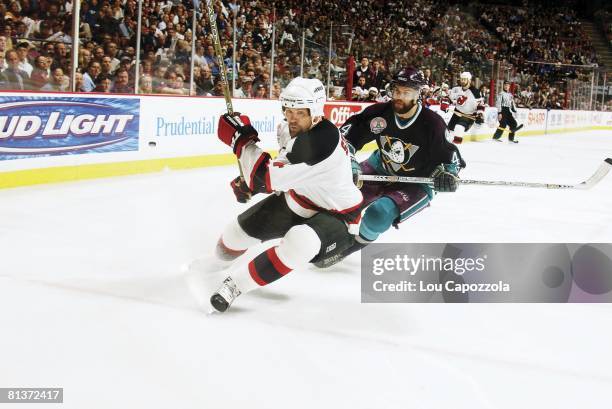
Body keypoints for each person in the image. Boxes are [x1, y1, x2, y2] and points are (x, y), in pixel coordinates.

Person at [186, 77, 363, 312]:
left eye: (300, 112)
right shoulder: (288, 130)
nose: (292, 118)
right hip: (299, 200)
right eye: (288, 110)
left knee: (299, 242)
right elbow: (278, 173)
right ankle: (213, 264)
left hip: (339, 217)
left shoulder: (322, 142)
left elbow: (263, 177)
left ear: (316, 111)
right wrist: (249, 184)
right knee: (234, 235)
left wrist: (241, 142)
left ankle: (235, 285)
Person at [315, 67, 465, 267]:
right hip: (380, 167)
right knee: (343, 199)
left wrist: (448, 175)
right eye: (397, 91)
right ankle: (321, 238)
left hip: (417, 182)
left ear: (418, 94)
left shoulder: (432, 124)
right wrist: (349, 161)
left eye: (407, 92)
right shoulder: (379, 114)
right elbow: (346, 138)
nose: (400, 97)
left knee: (379, 214)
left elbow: (450, 159)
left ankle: (346, 248)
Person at [445, 72, 485, 144]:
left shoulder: (475, 91)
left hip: (468, 115)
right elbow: (450, 98)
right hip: (457, 113)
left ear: (469, 80)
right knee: (448, 131)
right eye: (461, 79)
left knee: (459, 128)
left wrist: (480, 114)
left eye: (464, 79)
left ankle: (456, 146)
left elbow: (480, 104)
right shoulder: (456, 89)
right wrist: (445, 103)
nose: (462, 81)